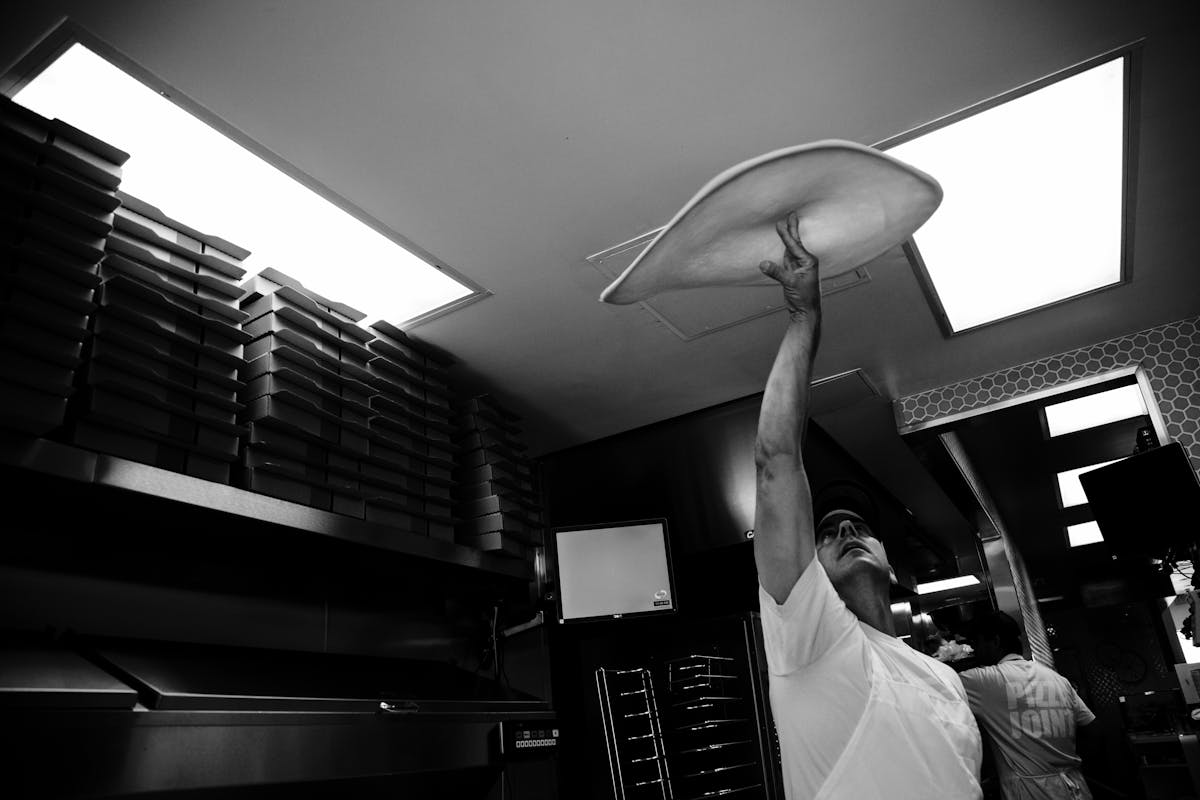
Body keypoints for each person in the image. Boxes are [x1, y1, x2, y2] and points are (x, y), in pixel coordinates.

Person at [753, 210, 983, 799]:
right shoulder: (811, 641)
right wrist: (805, 314)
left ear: (891, 564)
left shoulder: (941, 677)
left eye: (858, 525)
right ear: (811, 579)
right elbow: (777, 459)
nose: (847, 529)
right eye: (827, 531)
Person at [959, 611, 1095, 800]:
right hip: (1076, 788)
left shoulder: (983, 680)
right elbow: (1090, 728)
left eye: (977, 644)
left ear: (995, 641)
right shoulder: (1057, 679)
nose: (976, 651)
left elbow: (935, 682)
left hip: (1031, 792)